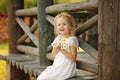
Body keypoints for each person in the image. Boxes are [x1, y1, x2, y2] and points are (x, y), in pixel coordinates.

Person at [37, 12, 79, 80]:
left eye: (64, 24)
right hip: (57, 65)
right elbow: (53, 55)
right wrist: (56, 49)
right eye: (59, 25)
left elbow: (73, 58)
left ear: (70, 26)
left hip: (67, 68)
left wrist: (61, 49)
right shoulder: (58, 38)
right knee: (41, 77)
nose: (61, 26)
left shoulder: (72, 40)